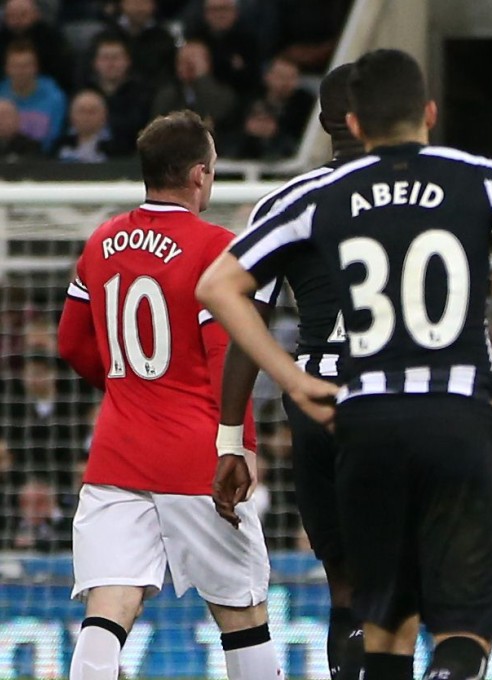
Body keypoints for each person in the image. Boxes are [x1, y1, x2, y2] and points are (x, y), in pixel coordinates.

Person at [195, 48, 492, 680]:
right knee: (462, 626)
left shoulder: (316, 195)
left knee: (372, 615)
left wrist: (292, 377)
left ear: (354, 124)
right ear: (429, 111)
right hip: (458, 409)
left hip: (357, 414)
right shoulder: (474, 176)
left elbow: (219, 287)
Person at [56, 110, 284, 680]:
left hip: (116, 455)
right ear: (200, 175)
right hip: (198, 456)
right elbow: (226, 357)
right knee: (242, 615)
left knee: (107, 612)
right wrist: (241, 443)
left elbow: (71, 342)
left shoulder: (102, 240)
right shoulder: (215, 248)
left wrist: (129, 389)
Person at [211, 62, 368, 680]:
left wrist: (230, 439)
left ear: (326, 121)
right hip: (407, 400)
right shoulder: (428, 192)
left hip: (318, 396)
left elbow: (246, 322)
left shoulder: (287, 200)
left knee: (347, 589)